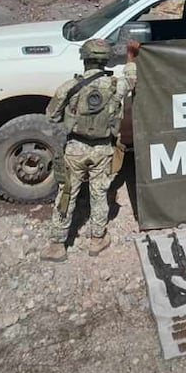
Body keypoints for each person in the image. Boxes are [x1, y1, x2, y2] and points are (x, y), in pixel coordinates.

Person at [40, 38, 139, 262]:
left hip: (75, 148)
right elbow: (132, 79)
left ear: (84, 59)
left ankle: (57, 244)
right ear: (106, 60)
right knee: (99, 194)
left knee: (67, 193)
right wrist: (131, 54)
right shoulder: (116, 85)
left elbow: (52, 116)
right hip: (103, 149)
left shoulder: (69, 86)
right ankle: (97, 240)